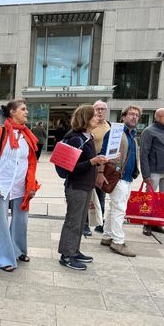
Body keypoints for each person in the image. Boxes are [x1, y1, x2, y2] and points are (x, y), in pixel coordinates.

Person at [0, 99, 39, 272]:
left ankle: (17, 251)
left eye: (26, 109)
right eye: (23, 109)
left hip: (21, 185)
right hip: (1, 184)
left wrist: (31, 185)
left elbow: (31, 163)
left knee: (21, 220)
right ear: (12, 112)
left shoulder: (27, 135)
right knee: (0, 222)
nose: (26, 112)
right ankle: (1, 259)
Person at [58, 105, 109, 270]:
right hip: (76, 186)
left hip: (85, 186)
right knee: (73, 221)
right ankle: (67, 255)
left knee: (80, 222)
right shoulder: (75, 138)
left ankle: (74, 250)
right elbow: (71, 168)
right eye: (94, 116)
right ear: (85, 119)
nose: (98, 118)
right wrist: (93, 162)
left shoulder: (88, 137)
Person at [98, 105, 141, 257]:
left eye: (137, 115)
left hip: (127, 177)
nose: (134, 117)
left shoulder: (133, 135)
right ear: (123, 117)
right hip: (117, 177)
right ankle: (118, 241)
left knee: (114, 207)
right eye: (131, 114)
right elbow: (104, 153)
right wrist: (100, 172)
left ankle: (107, 236)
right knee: (119, 209)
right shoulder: (115, 133)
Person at [139, 108, 164, 236]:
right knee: (149, 199)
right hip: (154, 171)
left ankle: (158, 224)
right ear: (157, 117)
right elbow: (144, 153)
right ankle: (147, 224)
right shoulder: (149, 131)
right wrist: (146, 174)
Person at [84, 100, 111, 236]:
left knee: (101, 194)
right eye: (97, 109)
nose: (100, 111)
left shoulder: (109, 126)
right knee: (88, 195)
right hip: (91, 164)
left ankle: (100, 223)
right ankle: (85, 224)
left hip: (104, 165)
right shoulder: (90, 125)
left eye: (103, 109)